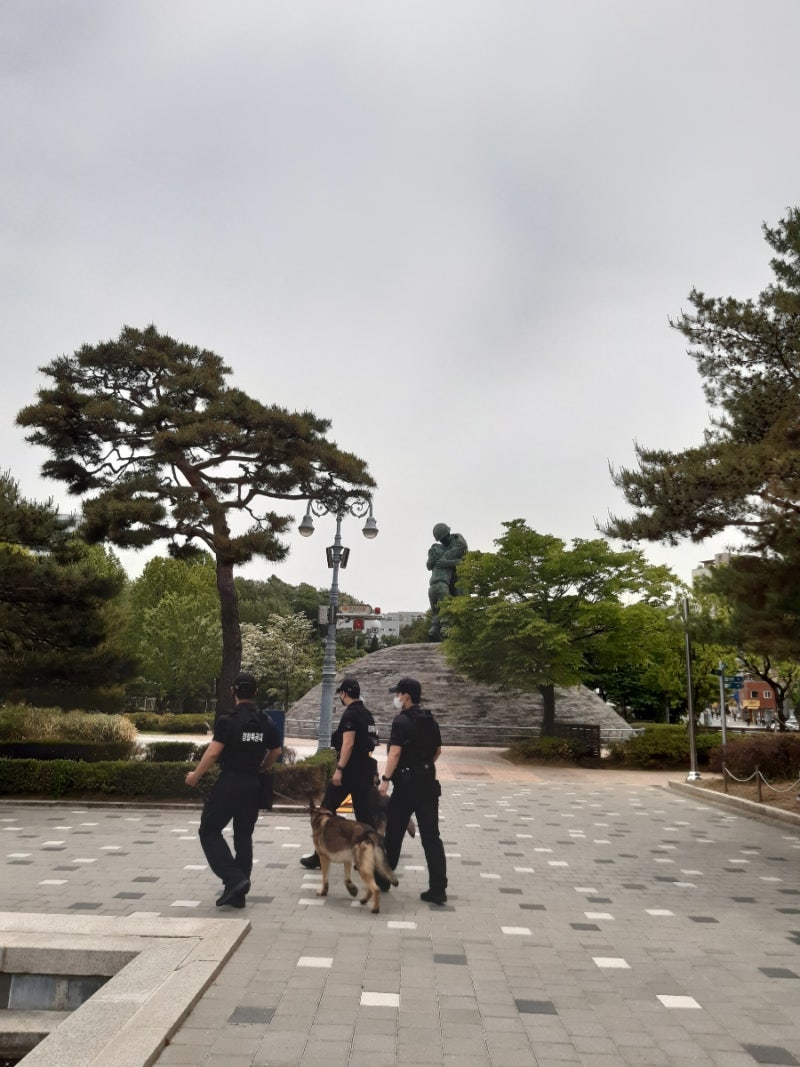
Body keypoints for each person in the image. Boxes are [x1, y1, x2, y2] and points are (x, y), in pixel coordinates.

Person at [185, 671, 282, 907]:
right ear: (256, 692)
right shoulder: (265, 721)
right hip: (252, 784)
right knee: (243, 838)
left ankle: (234, 878)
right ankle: (238, 893)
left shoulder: (227, 720)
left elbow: (214, 752)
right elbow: (276, 752)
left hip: (229, 783)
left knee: (208, 830)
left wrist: (196, 775)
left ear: (233, 691)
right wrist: (260, 767)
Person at [300, 676, 381, 870]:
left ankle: (321, 854)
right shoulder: (367, 714)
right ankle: (374, 858)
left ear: (344, 694)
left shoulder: (351, 715)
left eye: (341, 694)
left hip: (349, 771)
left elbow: (348, 743)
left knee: (325, 809)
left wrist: (339, 770)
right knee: (365, 817)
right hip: (364, 770)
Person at [379, 676, 447, 905]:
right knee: (431, 837)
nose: (396, 698)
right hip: (428, 784)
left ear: (406, 695)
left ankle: (384, 878)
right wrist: (423, 762)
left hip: (406, 786)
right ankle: (438, 888)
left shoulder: (401, 721)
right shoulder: (430, 719)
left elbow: (394, 753)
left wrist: (386, 779)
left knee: (394, 833)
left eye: (398, 694)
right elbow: (437, 751)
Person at [427, 523, 467, 640]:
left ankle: (452, 628)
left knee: (458, 604)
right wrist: (433, 558)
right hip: (442, 581)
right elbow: (429, 566)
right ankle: (438, 627)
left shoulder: (459, 544)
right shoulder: (438, 549)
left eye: (444, 539)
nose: (442, 542)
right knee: (438, 604)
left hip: (458, 579)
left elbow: (464, 563)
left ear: (448, 534)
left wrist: (447, 563)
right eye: (440, 540)